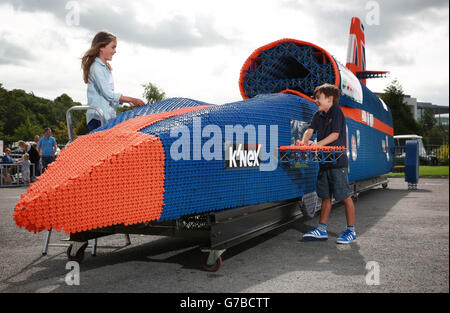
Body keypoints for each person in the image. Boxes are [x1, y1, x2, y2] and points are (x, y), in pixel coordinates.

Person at [297, 83, 356, 244]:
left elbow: (335, 135)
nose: (316, 100)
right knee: (325, 197)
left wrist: (317, 145)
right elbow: (309, 130)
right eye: (315, 98)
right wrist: (304, 142)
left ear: (329, 99)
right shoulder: (318, 115)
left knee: (344, 196)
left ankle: (351, 231)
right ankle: (322, 230)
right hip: (324, 162)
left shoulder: (336, 111)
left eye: (318, 98)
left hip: (338, 162)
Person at [81, 30, 146, 131]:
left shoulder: (106, 68)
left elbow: (108, 97)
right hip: (98, 118)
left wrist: (125, 102)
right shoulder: (96, 68)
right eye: (113, 47)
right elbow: (108, 94)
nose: (115, 51)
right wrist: (132, 99)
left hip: (108, 117)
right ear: (101, 47)